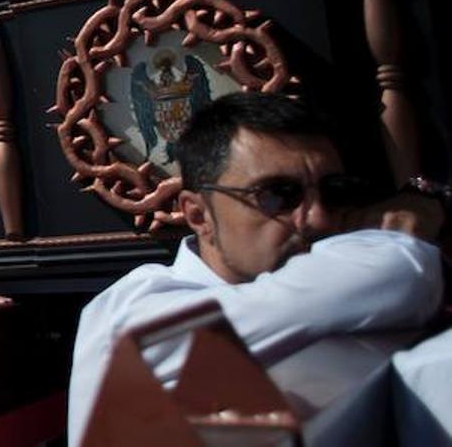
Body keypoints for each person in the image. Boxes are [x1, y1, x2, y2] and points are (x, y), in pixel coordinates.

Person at [67, 92, 445, 444]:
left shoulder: (338, 295)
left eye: (334, 191)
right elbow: (400, 272)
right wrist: (409, 219)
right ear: (198, 215)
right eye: (278, 195)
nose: (318, 218)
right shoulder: (133, 308)